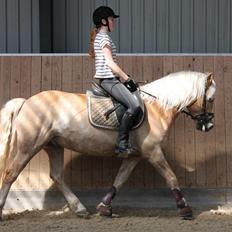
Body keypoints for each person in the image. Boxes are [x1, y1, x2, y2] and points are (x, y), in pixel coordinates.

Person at [89, 6, 142, 157]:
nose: (114, 22)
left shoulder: (101, 37)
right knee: (134, 105)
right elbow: (111, 64)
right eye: (112, 19)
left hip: (110, 79)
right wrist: (127, 78)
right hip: (108, 80)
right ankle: (122, 143)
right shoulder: (104, 38)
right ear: (104, 21)